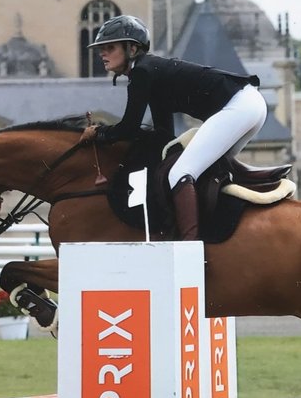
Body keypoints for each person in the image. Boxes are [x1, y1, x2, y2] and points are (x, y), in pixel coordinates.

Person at [84, 14, 266, 241]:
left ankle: (189, 250)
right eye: (102, 49)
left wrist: (98, 133)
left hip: (239, 106)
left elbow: (128, 128)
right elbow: (164, 134)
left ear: (132, 48)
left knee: (180, 173)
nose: (102, 53)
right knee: (202, 171)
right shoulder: (150, 71)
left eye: (109, 47)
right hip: (249, 104)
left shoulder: (142, 72)